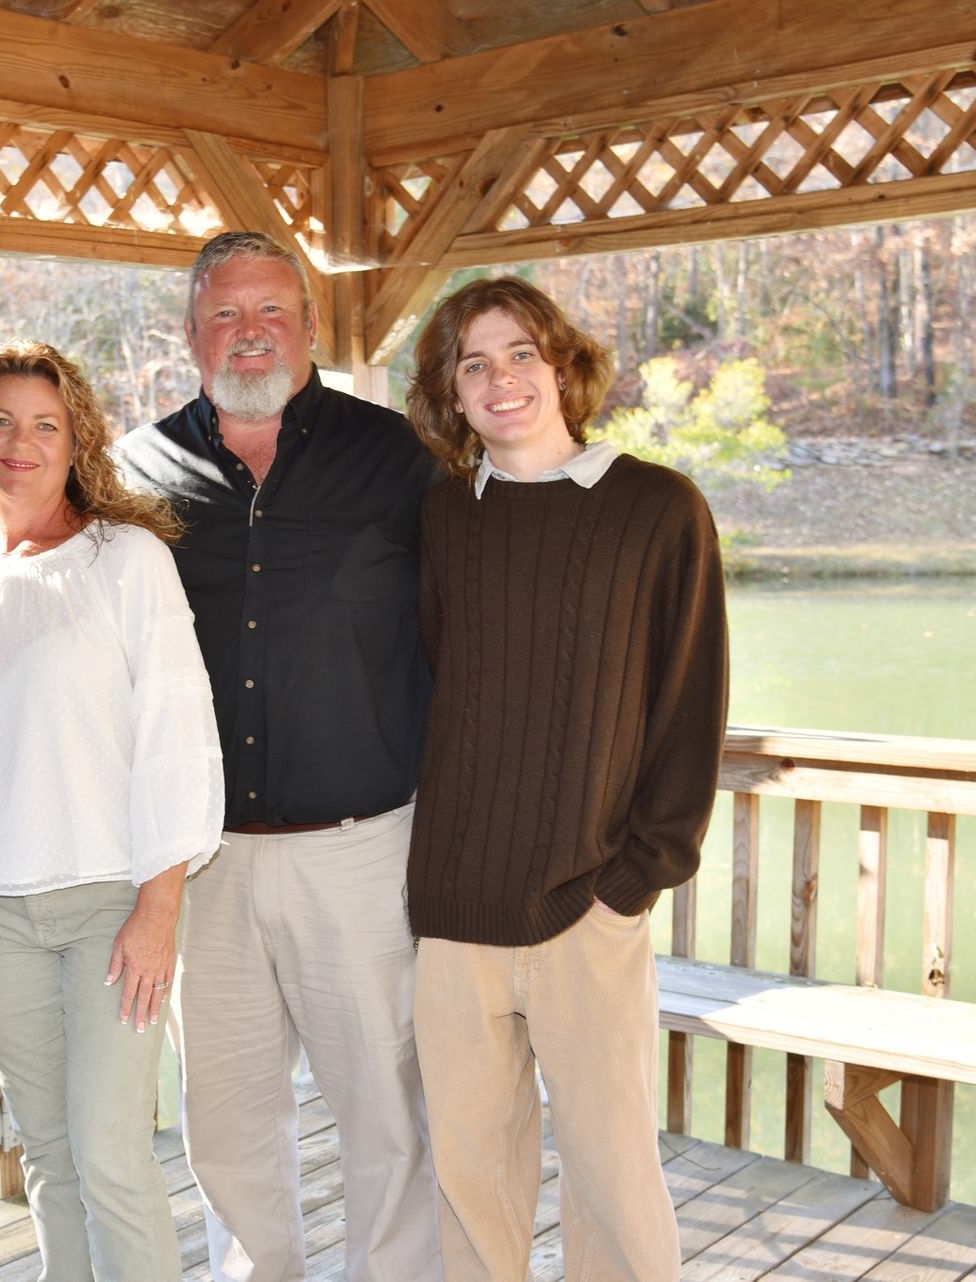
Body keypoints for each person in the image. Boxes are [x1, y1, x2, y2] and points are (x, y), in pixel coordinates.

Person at [113, 230, 445, 1282]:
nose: (249, 335)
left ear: (306, 326)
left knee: (385, 1109)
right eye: (225, 315)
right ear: (191, 331)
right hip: (200, 864)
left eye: (270, 313)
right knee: (227, 1121)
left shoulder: (396, 457)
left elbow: (476, 616)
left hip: (356, 850)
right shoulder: (136, 471)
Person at [403, 275, 729, 1282]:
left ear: (564, 367)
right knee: (470, 1183)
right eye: (474, 363)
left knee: (614, 1179)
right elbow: (433, 695)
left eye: (521, 355)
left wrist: (636, 878)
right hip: (455, 917)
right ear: (450, 395)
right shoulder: (447, 518)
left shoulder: (654, 509)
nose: (502, 380)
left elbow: (690, 700)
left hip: (588, 907)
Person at [0, 339, 223, 1281]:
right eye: (2, 422)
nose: (22, 442)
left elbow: (178, 731)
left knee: (111, 1156)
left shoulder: (126, 560)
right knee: (48, 1157)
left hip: (109, 904)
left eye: (45, 425)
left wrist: (159, 906)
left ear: (77, 441)